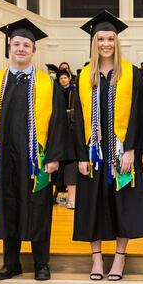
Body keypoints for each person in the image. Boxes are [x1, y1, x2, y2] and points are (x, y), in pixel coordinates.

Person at [0, 18, 72, 281]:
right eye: (16, 44)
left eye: (26, 44)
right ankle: (10, 263)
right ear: (9, 48)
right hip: (4, 160)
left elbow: (58, 123)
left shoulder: (47, 85)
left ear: (34, 50)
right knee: (7, 206)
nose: (21, 48)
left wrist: (55, 158)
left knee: (39, 210)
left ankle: (41, 264)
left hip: (37, 161)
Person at [73, 10, 143, 281]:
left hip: (121, 153)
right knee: (93, 204)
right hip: (93, 154)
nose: (106, 43)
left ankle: (119, 259)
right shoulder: (84, 75)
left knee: (123, 205)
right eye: (101, 39)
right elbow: (79, 118)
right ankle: (96, 260)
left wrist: (131, 149)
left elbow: (140, 114)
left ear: (117, 42)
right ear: (94, 43)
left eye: (110, 38)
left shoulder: (131, 73)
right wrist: (82, 155)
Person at [55, 70, 77, 209]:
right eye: (61, 78)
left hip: (72, 127)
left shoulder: (74, 91)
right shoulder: (56, 91)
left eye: (65, 78)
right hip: (61, 128)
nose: (63, 80)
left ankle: (72, 197)